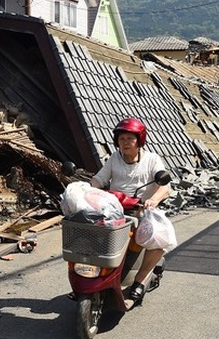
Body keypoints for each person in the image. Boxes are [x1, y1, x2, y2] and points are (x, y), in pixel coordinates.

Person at [90, 117, 172, 301]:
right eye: (121, 139)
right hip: (115, 208)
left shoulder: (152, 159)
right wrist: (88, 189)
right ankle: (90, 278)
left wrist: (153, 199)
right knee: (89, 231)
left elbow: (165, 187)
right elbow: (99, 179)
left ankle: (139, 282)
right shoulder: (114, 158)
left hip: (143, 210)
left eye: (130, 139)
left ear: (139, 140)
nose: (125, 143)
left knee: (159, 239)